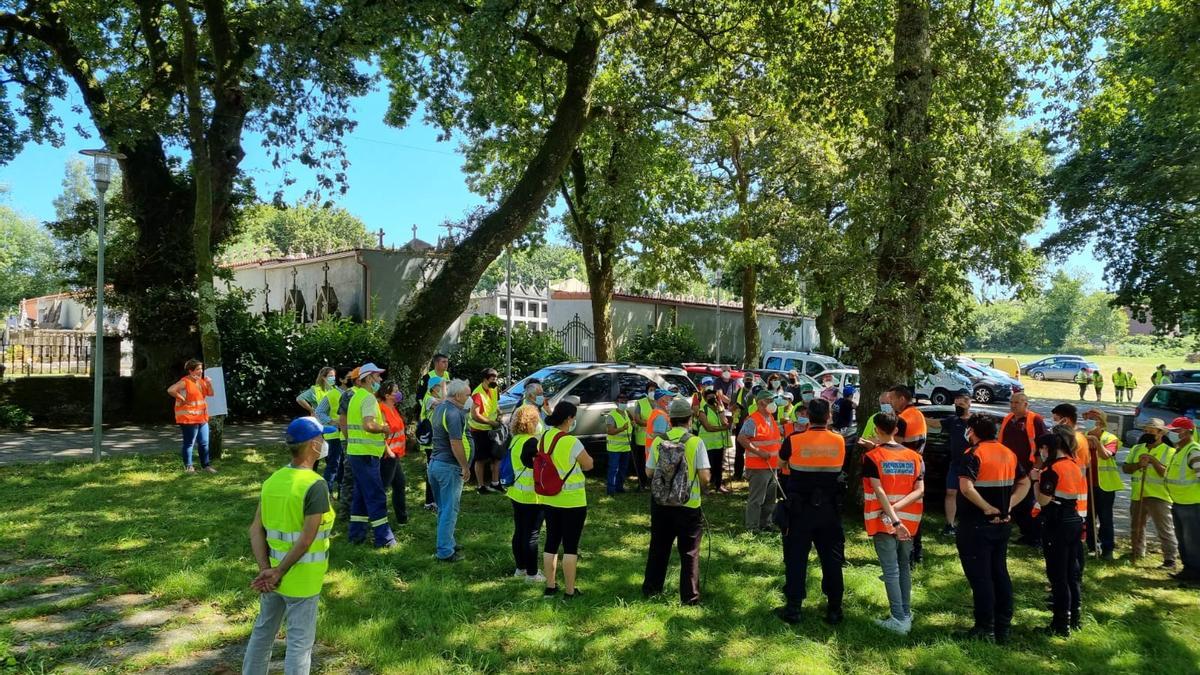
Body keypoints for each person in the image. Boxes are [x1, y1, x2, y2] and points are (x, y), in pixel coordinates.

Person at [242, 416, 336, 675]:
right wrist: (279, 572)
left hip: (271, 576)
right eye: (322, 438)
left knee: (263, 632)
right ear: (314, 445)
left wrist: (266, 570)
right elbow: (307, 538)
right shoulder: (315, 485)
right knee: (299, 643)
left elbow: (255, 529)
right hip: (302, 579)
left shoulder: (273, 480)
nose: (325, 442)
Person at [956, 414, 1030, 644]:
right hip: (1003, 525)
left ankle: (984, 628)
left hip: (976, 525)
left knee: (981, 578)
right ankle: (1002, 626)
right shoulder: (1008, 453)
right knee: (999, 573)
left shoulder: (973, 454)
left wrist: (987, 507)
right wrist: (1009, 504)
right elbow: (1025, 482)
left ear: (973, 431)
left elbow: (966, 487)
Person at [775, 398, 846, 625]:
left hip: (799, 509)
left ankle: (794, 608)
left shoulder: (794, 440)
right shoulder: (839, 441)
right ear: (828, 417)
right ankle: (834, 608)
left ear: (808, 416)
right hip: (829, 509)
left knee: (796, 558)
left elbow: (781, 464)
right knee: (832, 559)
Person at [643, 397, 712, 605]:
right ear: (689, 419)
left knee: (658, 547)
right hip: (688, 506)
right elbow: (705, 478)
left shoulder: (658, 440)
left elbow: (648, 472)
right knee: (689, 552)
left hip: (661, 504)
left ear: (670, 419)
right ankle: (690, 597)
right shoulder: (695, 442)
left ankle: (652, 589)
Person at [862, 412, 924, 635]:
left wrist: (893, 517)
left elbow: (878, 491)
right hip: (909, 520)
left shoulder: (872, 457)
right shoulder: (915, 457)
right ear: (896, 430)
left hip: (884, 521)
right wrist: (899, 511)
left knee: (891, 570)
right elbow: (920, 490)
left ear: (876, 429)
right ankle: (905, 613)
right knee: (904, 566)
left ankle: (898, 619)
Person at [1029, 429, 1087, 635]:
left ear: (1048, 448)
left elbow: (1043, 501)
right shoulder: (1074, 465)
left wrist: (1035, 480)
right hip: (1073, 519)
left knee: (1058, 575)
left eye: (1041, 450)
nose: (1040, 454)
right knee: (1072, 573)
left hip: (1057, 524)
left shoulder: (1051, 470)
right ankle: (1075, 618)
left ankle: (1061, 624)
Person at [540, 401, 594, 599]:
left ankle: (550, 587)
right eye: (573, 417)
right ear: (569, 419)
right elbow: (588, 464)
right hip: (573, 502)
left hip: (550, 498)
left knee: (551, 542)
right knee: (570, 546)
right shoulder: (572, 442)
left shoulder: (545, 437)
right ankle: (570, 591)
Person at [344, 363, 396, 549]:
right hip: (365, 455)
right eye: (377, 376)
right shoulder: (368, 399)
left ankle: (356, 535)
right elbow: (368, 425)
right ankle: (385, 539)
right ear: (367, 379)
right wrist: (383, 428)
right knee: (376, 495)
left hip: (358, 454)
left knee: (360, 495)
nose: (380, 380)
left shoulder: (356, 397)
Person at [1124, 419, 1179, 569]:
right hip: (1138, 494)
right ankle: (1137, 552)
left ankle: (1170, 559)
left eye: (1151, 432)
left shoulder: (1170, 451)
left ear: (1161, 433)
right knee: (1136, 526)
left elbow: (1166, 473)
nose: (1147, 434)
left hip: (1159, 495)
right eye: (1146, 431)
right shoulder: (1137, 448)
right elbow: (1126, 468)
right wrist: (1138, 465)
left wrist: (1153, 461)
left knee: (1164, 529)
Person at [428, 379, 473, 562]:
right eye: (468, 395)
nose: (470, 399)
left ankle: (447, 541)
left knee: (443, 508)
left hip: (436, 464)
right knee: (449, 509)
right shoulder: (454, 413)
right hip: (448, 467)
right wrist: (464, 466)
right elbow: (455, 443)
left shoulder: (441, 408)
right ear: (457, 396)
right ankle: (445, 551)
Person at [1002, 393, 1048, 546]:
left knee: (1028, 504)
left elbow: (1044, 446)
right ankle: (1026, 533)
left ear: (1026, 404)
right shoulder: (1008, 419)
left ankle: (1035, 537)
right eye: (1012, 402)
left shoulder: (1035, 420)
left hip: (1028, 469)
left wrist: (1036, 468)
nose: (1013, 405)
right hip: (1009, 469)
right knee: (1014, 503)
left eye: (1017, 402)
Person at [507, 404, 545, 582]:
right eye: (537, 420)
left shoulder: (515, 439)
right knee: (532, 535)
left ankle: (520, 568)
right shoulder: (532, 443)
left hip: (517, 493)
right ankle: (532, 573)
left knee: (520, 532)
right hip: (532, 496)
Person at [889, 385, 927, 566]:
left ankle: (907, 554)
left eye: (893, 399)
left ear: (902, 398)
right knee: (914, 512)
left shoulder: (903, 419)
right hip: (918, 465)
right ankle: (917, 552)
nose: (890, 402)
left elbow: (894, 447)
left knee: (902, 512)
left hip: (905, 470)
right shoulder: (917, 414)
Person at [738, 390, 783, 533]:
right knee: (757, 499)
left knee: (770, 498)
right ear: (761, 403)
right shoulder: (753, 420)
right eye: (770, 400)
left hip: (772, 465)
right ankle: (752, 527)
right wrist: (759, 452)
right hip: (758, 466)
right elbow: (742, 438)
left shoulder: (770, 418)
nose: (772, 403)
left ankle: (766, 523)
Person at [928, 391, 972, 535]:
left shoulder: (976, 421)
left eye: (961, 404)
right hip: (955, 464)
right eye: (956, 404)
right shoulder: (953, 420)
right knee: (951, 492)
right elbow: (935, 423)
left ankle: (969, 524)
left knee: (970, 494)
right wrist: (915, 416)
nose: (958, 407)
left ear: (968, 403)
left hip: (973, 465)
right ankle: (950, 524)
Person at [1082, 408, 1122, 560]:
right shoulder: (1083, 436)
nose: (1091, 422)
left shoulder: (1110, 438)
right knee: (1089, 518)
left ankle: (1107, 549)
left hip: (1105, 486)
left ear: (1101, 422)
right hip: (1087, 484)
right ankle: (1092, 547)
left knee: (1105, 518)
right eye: (1089, 418)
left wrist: (1097, 443)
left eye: (1094, 419)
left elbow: (1106, 455)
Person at [1165, 417, 1200, 582]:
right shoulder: (1180, 450)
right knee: (1183, 539)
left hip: (1192, 504)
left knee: (1192, 540)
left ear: (1186, 432)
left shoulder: (1193, 450)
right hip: (1180, 502)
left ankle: (1195, 574)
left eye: (1175, 431)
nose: (1171, 433)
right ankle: (1188, 570)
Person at [167, 359, 215, 474]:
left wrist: (209, 383)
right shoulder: (185, 381)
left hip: (202, 418)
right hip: (188, 418)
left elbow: (211, 393)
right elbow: (170, 390)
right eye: (198, 369)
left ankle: (206, 466)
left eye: (201, 369)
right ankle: (189, 468)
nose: (201, 371)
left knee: (204, 442)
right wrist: (182, 398)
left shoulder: (201, 381)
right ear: (190, 371)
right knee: (189, 443)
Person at [377, 381, 408, 527]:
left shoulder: (393, 408)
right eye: (395, 391)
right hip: (388, 455)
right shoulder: (381, 409)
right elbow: (380, 433)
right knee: (382, 487)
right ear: (387, 395)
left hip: (395, 455)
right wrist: (387, 450)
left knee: (400, 484)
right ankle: (379, 520)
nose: (398, 393)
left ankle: (402, 519)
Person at [469, 368, 504, 495]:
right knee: (481, 459)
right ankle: (481, 486)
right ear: (485, 378)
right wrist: (490, 422)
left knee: (496, 457)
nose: (495, 380)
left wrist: (499, 412)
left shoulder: (494, 388)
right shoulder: (478, 393)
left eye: (496, 378)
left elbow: (495, 403)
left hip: (492, 429)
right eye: (493, 378)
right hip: (479, 430)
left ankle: (495, 483)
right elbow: (474, 415)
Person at [312, 367, 347, 494]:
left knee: (344, 465)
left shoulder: (354, 393)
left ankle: (341, 492)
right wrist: (332, 421)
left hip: (347, 434)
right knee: (334, 465)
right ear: (342, 380)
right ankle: (327, 492)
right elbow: (319, 411)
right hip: (334, 434)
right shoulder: (332, 394)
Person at [695, 386, 731, 494]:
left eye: (714, 397)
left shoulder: (719, 409)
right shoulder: (703, 410)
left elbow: (724, 422)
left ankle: (718, 485)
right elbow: (708, 427)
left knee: (719, 466)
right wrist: (723, 428)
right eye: (710, 397)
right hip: (707, 444)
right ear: (705, 399)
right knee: (707, 466)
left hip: (719, 443)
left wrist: (722, 414)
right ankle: (704, 487)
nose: (712, 399)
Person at [418, 375, 446, 513]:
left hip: (437, 442)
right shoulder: (429, 399)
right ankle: (430, 502)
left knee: (437, 471)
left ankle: (435, 500)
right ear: (434, 388)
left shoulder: (434, 398)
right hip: (431, 444)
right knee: (433, 472)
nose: (443, 389)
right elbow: (444, 404)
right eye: (441, 386)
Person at [631, 380, 658, 490]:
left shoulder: (660, 402)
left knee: (655, 462)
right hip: (642, 439)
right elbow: (637, 419)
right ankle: (642, 483)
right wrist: (652, 423)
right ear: (647, 391)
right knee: (642, 462)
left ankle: (654, 483)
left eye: (655, 390)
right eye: (651, 390)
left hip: (656, 439)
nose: (653, 392)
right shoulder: (641, 402)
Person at [605, 392, 633, 495]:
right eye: (622, 402)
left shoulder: (627, 413)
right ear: (617, 402)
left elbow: (631, 426)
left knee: (623, 469)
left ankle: (619, 487)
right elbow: (610, 431)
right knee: (613, 469)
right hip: (614, 448)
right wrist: (622, 428)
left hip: (626, 448)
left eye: (625, 402)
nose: (624, 403)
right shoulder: (611, 416)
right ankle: (611, 490)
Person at [732, 371, 758, 480]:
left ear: (754, 381)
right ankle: (737, 474)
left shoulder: (757, 393)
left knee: (752, 452)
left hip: (754, 427)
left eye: (750, 380)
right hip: (740, 426)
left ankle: (751, 475)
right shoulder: (737, 393)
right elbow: (731, 407)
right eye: (747, 380)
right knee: (739, 452)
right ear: (743, 380)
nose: (748, 382)